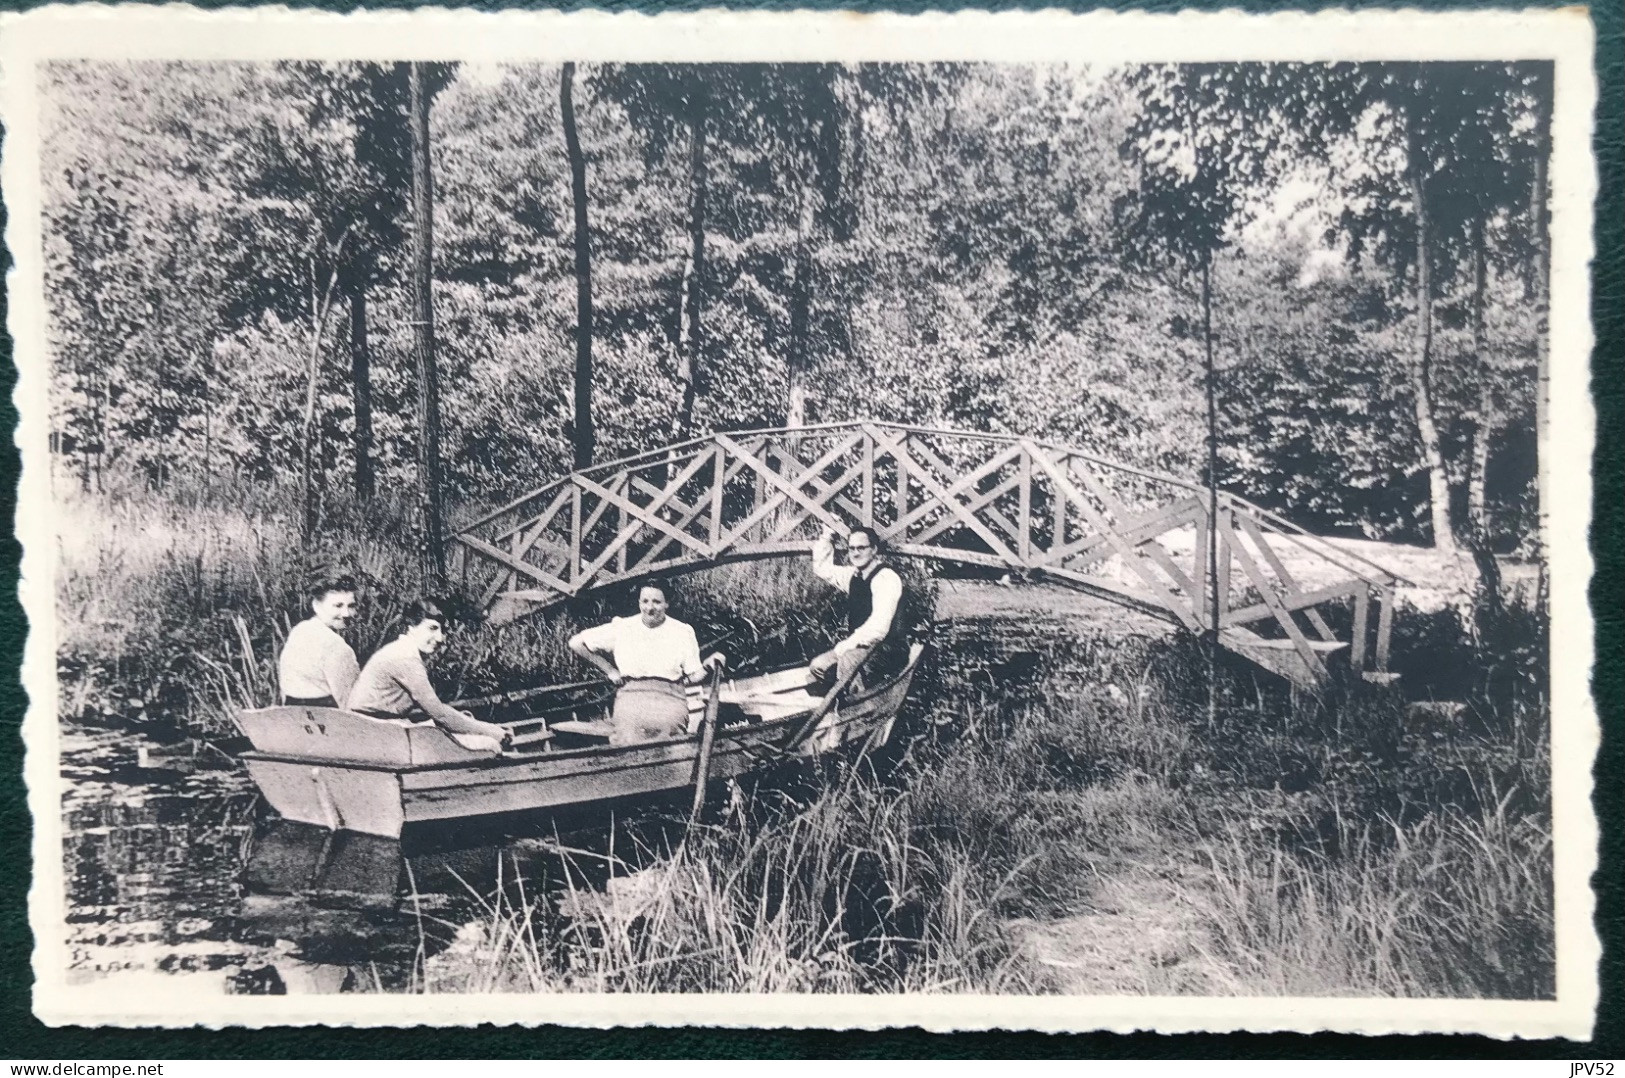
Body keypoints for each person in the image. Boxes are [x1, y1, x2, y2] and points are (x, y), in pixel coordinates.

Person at [569, 579, 726, 746]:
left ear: (667, 604)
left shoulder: (682, 631)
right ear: (639, 603)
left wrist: (709, 664)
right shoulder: (623, 627)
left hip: (670, 698)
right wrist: (609, 670)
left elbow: (694, 676)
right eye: (645, 601)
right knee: (627, 738)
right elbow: (576, 643)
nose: (649, 608)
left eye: (657, 602)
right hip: (632, 697)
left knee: (671, 737)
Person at [347, 599, 512, 752]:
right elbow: (439, 714)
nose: (440, 638)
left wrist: (473, 723)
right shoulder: (405, 658)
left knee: (466, 720)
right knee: (489, 745)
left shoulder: (399, 649)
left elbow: (432, 709)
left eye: (442, 630)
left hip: (374, 728)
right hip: (378, 733)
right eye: (432, 628)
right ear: (411, 627)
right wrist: (493, 732)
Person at [808, 525, 907, 696]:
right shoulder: (853, 575)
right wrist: (827, 535)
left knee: (848, 662)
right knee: (817, 666)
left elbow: (878, 627)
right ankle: (840, 694)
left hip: (889, 649)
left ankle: (858, 707)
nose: (855, 553)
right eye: (851, 548)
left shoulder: (886, 578)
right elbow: (822, 569)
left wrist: (845, 646)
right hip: (859, 647)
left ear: (874, 549)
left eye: (861, 548)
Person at [278, 571, 360, 708]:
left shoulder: (299, 631)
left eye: (351, 606)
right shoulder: (336, 646)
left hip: (294, 719)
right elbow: (351, 704)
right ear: (316, 605)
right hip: (326, 722)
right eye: (338, 606)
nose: (346, 614)